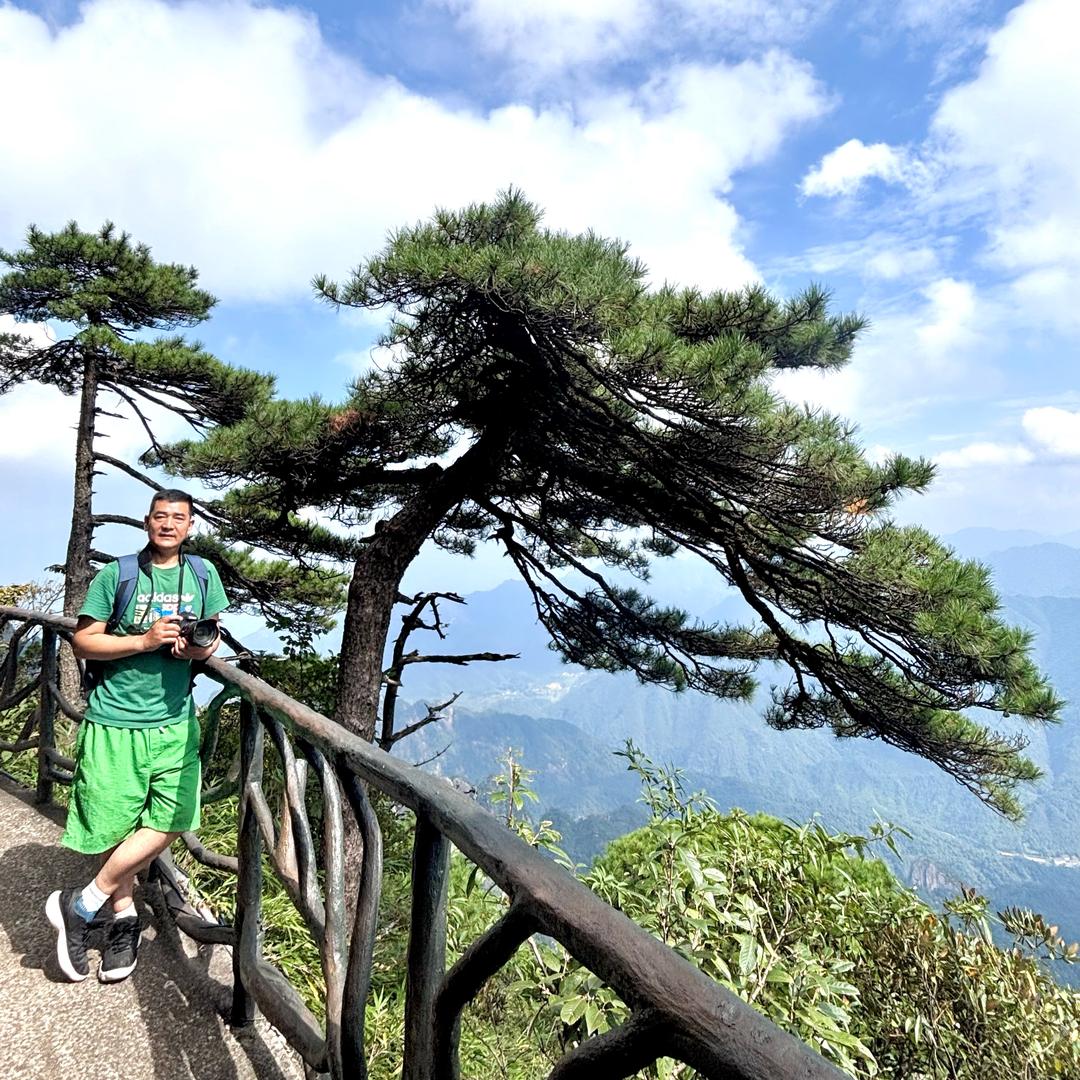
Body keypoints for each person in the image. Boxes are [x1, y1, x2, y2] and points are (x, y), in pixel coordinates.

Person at [46, 489, 228, 982]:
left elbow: (211, 636)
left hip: (173, 720)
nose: (169, 525)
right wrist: (144, 641)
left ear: (190, 526)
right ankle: (122, 917)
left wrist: (193, 650)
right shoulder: (117, 574)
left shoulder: (204, 575)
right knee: (113, 822)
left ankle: (82, 904)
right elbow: (84, 640)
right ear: (147, 522)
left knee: (174, 815)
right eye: (161, 516)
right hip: (115, 719)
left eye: (180, 518)